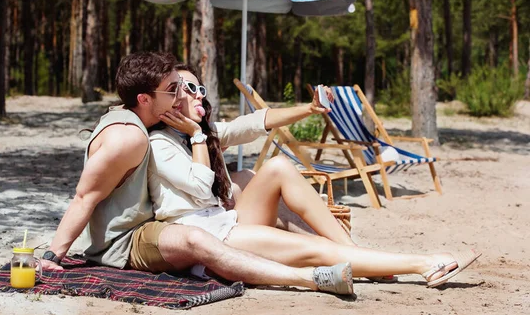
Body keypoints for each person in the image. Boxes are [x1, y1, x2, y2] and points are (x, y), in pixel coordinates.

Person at [38, 51, 353, 295]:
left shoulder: (179, 130)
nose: (186, 95)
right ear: (146, 98)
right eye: (176, 89)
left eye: (187, 88)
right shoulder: (132, 136)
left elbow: (255, 123)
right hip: (139, 237)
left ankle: (345, 251)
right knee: (219, 210)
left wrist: (309, 110)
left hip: (177, 220)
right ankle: (322, 263)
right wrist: (54, 255)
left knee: (248, 177)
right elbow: (85, 197)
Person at [147, 64, 482, 289]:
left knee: (277, 166)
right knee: (317, 249)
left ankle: (357, 251)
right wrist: (197, 136)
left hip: (224, 223)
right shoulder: (161, 142)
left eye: (199, 86)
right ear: (169, 98)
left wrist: (309, 109)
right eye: (187, 88)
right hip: (211, 242)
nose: (198, 93)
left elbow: (252, 124)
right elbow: (201, 187)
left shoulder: (200, 134)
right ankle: (425, 264)